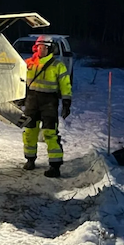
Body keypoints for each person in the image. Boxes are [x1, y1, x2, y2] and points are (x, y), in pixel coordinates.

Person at [22, 36, 72, 178]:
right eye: (39, 47)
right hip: (31, 101)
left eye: (44, 47)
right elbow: (19, 80)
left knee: (50, 133)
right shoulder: (29, 64)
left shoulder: (58, 65)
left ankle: (55, 166)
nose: (41, 50)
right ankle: (30, 159)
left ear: (50, 49)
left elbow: (65, 85)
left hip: (49, 102)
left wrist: (67, 102)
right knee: (29, 132)